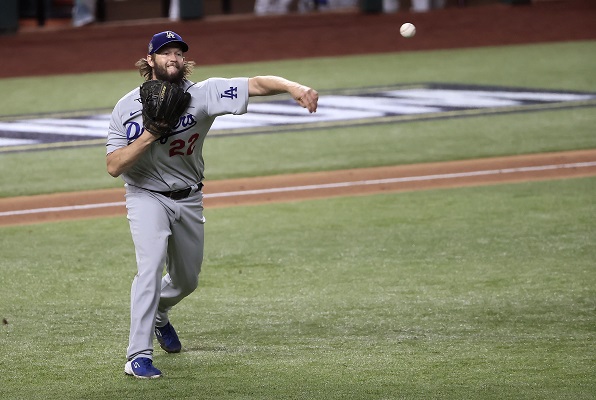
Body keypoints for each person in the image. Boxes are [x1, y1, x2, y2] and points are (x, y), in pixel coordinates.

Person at [106, 30, 318, 379]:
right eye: (165, 53)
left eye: (178, 53)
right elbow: (114, 166)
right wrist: (150, 134)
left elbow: (256, 84)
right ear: (150, 60)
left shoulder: (202, 94)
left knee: (187, 280)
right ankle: (137, 356)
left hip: (189, 197)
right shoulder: (126, 108)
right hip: (145, 195)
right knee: (150, 267)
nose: (172, 58)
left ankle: (159, 314)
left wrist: (294, 88)